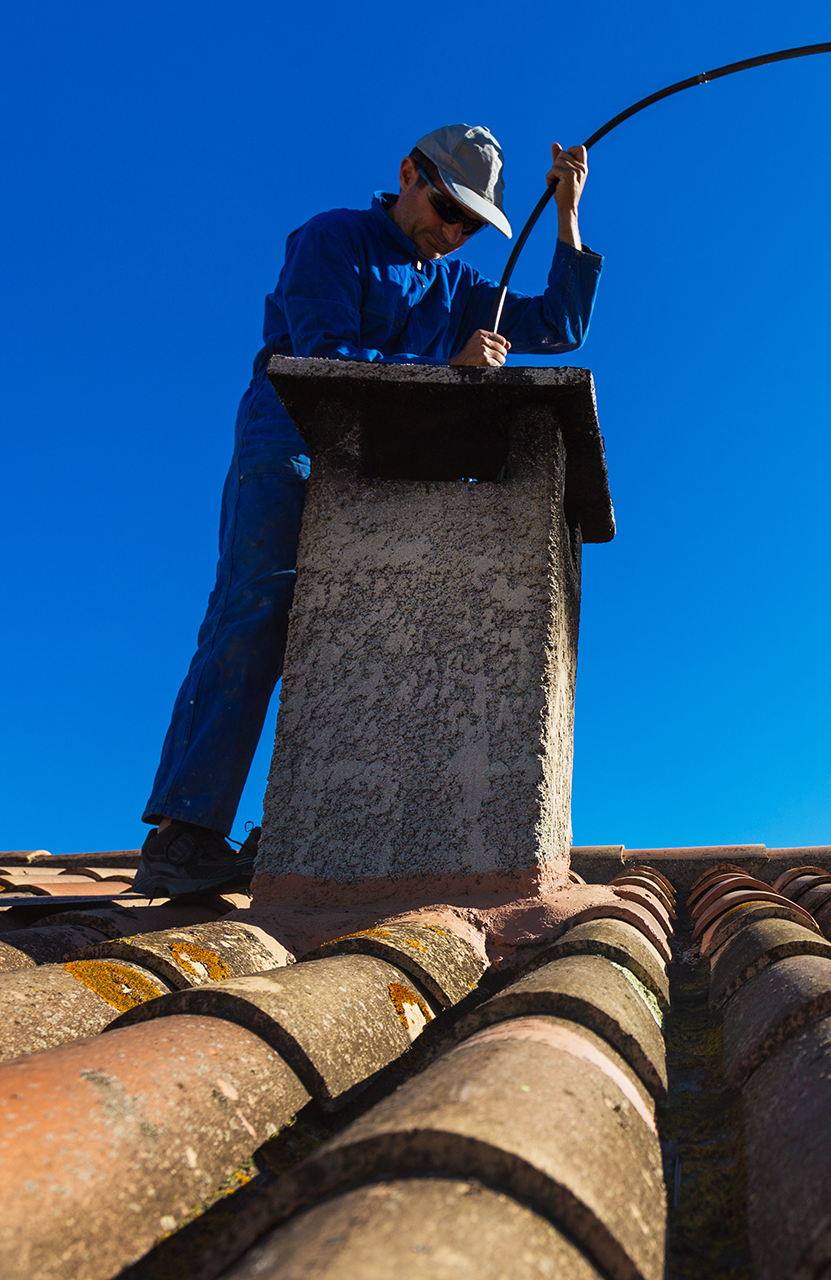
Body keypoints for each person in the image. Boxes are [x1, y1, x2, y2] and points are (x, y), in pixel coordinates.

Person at [132, 124, 601, 897]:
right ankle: (184, 837)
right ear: (408, 173)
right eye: (446, 209)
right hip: (286, 442)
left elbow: (559, 325)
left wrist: (568, 214)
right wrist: (445, 365)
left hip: (375, 472)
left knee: (362, 624)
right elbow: (320, 355)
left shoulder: (458, 288)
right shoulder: (333, 238)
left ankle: (322, 833)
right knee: (258, 606)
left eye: (469, 224)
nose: (452, 233)